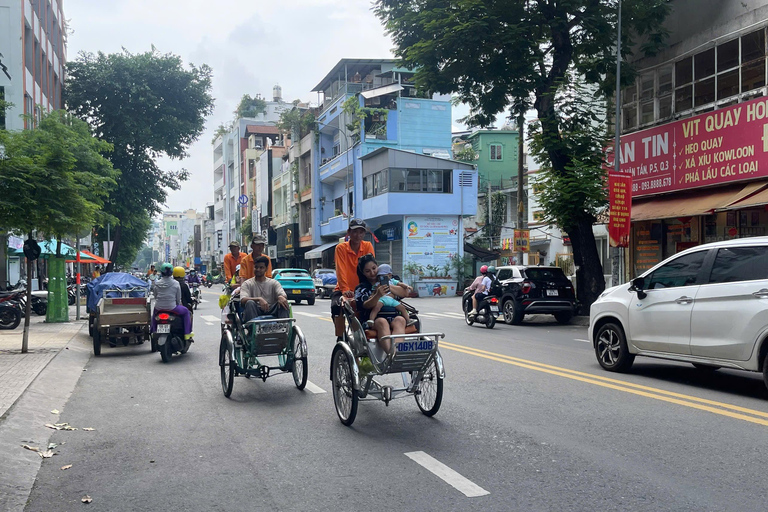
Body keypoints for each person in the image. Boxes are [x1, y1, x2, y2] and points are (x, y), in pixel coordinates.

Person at [355, 255, 411, 354]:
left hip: (393, 314)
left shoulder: (389, 278)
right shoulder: (362, 287)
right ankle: (391, 354)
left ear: (378, 266)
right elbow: (365, 305)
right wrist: (378, 295)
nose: (372, 273)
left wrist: (386, 285)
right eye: (367, 271)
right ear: (363, 273)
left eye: (374, 268)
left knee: (401, 320)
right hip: (374, 318)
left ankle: (396, 353)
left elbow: (405, 293)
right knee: (382, 322)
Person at [331, 218, 375, 341]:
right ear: (349, 232)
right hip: (344, 289)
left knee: (370, 308)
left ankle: (366, 334)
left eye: (361, 232)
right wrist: (345, 290)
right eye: (355, 232)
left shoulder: (367, 246)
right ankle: (340, 336)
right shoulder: (341, 248)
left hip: (362, 288)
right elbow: (341, 270)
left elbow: (371, 267)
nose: (358, 235)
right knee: (335, 307)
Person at [151, 263, 193, 341]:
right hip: (172, 307)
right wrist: (177, 304)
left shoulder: (157, 283)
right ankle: (187, 333)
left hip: (159, 308)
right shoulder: (176, 283)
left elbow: (155, 296)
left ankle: (153, 331)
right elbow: (178, 299)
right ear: (171, 273)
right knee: (186, 312)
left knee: (154, 315)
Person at [240, 255, 289, 321]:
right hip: (255, 311)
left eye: (261, 267)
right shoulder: (247, 284)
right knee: (250, 303)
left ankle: (285, 327)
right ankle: (251, 329)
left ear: (266, 269)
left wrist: (281, 297)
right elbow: (243, 299)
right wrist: (259, 299)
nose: (258, 270)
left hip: (271, 309)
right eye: (256, 267)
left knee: (283, 303)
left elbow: (282, 294)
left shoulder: (274, 283)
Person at [366, 263, 413, 328]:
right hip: (382, 299)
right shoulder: (378, 283)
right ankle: (371, 320)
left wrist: (407, 286)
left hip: (391, 299)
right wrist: (374, 293)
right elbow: (374, 291)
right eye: (379, 276)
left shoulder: (393, 281)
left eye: (383, 276)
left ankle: (408, 320)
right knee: (376, 307)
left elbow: (401, 284)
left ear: (389, 275)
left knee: (402, 308)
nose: (381, 278)